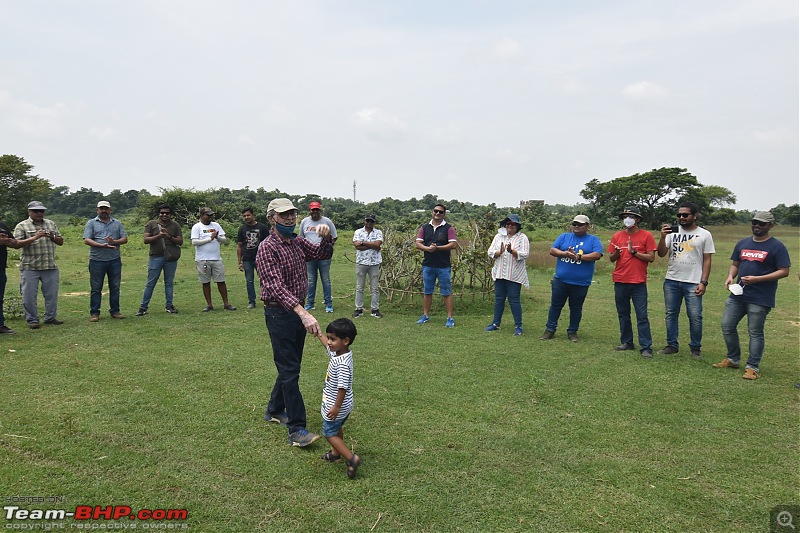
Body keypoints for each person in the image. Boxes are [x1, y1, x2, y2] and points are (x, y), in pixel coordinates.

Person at [256, 198, 334, 448]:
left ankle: (275, 409)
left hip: (297, 312)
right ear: (272, 218)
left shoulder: (296, 242)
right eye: (283, 215)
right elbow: (274, 286)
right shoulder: (267, 248)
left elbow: (320, 254)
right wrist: (303, 312)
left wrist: (325, 237)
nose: (290, 218)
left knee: (291, 365)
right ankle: (296, 429)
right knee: (290, 370)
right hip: (280, 314)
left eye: (292, 214)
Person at [713, 211, 790, 380]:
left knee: (755, 332)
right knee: (727, 325)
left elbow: (784, 271)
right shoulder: (743, 243)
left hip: (761, 297)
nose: (757, 226)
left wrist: (758, 279)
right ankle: (733, 359)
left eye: (761, 224)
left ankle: (752, 367)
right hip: (738, 294)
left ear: (770, 226)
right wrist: (730, 276)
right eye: (754, 222)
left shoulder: (777, 247)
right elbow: (736, 264)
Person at [656, 202, 715, 357]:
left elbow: (707, 259)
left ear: (694, 216)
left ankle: (695, 347)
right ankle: (671, 345)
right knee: (671, 313)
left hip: (694, 281)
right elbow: (661, 253)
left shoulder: (704, 234)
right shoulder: (672, 232)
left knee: (695, 315)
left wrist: (703, 282)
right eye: (679, 215)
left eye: (685, 215)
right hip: (672, 280)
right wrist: (662, 237)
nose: (681, 217)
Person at [540, 215, 604, 342]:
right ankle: (550, 330)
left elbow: (597, 255)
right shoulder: (564, 237)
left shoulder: (593, 240)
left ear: (587, 226)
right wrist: (565, 253)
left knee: (576, 308)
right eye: (575, 224)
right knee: (555, 306)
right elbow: (553, 250)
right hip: (561, 280)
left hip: (581, 282)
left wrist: (579, 257)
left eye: (580, 224)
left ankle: (572, 331)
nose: (576, 226)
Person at [316, 318, 362, 479]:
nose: (329, 342)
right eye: (328, 338)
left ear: (346, 341)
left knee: (329, 433)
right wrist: (319, 334)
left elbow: (342, 387)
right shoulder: (341, 352)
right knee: (336, 428)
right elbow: (328, 348)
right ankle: (336, 454)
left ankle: (351, 458)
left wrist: (335, 407)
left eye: (333, 339)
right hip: (345, 404)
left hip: (338, 404)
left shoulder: (342, 364)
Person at [608, 207, 657, 357]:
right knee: (623, 314)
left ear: (637, 219)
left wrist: (634, 253)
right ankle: (627, 342)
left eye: (630, 216)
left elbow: (651, 257)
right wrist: (617, 252)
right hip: (620, 280)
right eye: (625, 216)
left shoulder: (646, 236)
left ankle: (646, 347)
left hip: (638, 283)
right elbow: (611, 258)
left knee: (642, 315)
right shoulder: (617, 236)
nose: (627, 219)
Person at [13, 201, 65, 329]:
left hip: (50, 266)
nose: (39, 213)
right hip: (30, 267)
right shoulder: (22, 226)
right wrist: (35, 237)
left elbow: (60, 241)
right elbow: (16, 244)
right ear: (29, 212)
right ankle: (32, 320)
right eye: (36, 211)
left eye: (41, 211)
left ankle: (50, 317)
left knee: (52, 295)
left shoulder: (50, 223)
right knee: (29, 296)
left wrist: (52, 236)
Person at [83, 201, 128, 321]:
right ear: (97, 210)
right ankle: (94, 313)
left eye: (106, 209)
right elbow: (87, 240)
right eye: (101, 209)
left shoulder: (117, 223)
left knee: (115, 286)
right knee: (96, 288)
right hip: (97, 260)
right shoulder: (91, 223)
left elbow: (124, 239)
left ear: (110, 210)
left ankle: (115, 311)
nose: (104, 211)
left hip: (114, 260)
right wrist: (101, 245)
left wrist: (114, 242)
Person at [485, 214, 530, 336]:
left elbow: (525, 254)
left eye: (513, 224)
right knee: (499, 299)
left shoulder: (522, 237)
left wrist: (512, 251)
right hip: (499, 272)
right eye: (508, 224)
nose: (510, 226)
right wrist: (499, 252)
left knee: (514, 299)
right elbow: (490, 251)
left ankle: (518, 326)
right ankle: (496, 323)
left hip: (514, 274)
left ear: (517, 226)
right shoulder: (499, 236)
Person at [135, 204, 183, 316]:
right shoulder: (151, 224)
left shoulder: (175, 225)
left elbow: (180, 241)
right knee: (150, 283)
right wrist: (159, 236)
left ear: (171, 215)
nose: (164, 215)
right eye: (162, 213)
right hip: (156, 257)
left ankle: (169, 306)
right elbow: (146, 239)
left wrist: (169, 237)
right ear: (159, 214)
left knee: (169, 283)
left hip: (170, 258)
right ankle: (143, 307)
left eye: (167, 213)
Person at [415, 204, 458, 327]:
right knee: (427, 291)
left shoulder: (449, 228)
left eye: (440, 212)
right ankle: (425, 315)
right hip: (428, 264)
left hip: (443, 265)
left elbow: (453, 244)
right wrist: (428, 249)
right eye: (436, 211)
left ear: (444, 214)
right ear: (432, 212)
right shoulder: (424, 228)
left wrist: (437, 248)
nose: (437, 214)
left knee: (446, 291)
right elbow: (418, 243)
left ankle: (450, 318)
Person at [191, 207, 236, 312]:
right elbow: (194, 242)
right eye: (208, 215)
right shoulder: (197, 227)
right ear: (202, 216)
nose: (210, 217)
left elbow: (224, 240)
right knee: (205, 282)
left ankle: (226, 303)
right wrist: (209, 239)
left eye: (211, 215)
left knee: (221, 281)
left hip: (216, 259)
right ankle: (209, 305)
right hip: (203, 259)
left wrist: (217, 238)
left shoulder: (216, 225)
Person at [299, 201, 338, 313]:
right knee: (311, 280)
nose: (315, 212)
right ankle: (310, 303)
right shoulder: (304, 222)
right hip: (309, 257)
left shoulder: (327, 221)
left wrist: (325, 247)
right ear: (310, 211)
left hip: (324, 257)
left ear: (320, 210)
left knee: (325, 280)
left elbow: (334, 237)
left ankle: (328, 304)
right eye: (313, 210)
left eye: (317, 209)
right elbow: (301, 238)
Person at [236, 207, 270, 309]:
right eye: (244, 216)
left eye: (248, 215)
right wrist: (239, 261)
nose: (246, 217)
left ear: (253, 215)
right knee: (249, 280)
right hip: (247, 259)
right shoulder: (242, 229)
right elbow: (239, 245)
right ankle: (252, 301)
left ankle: (266, 299)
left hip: (261, 258)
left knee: (264, 279)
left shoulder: (262, 227)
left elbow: (268, 243)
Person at [352, 213, 383, 318]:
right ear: (364, 221)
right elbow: (357, 246)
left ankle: (375, 309)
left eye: (371, 221)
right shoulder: (358, 232)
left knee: (374, 287)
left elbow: (378, 244)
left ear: (374, 222)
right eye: (367, 221)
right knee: (360, 287)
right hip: (361, 262)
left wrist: (363, 242)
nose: (369, 223)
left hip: (374, 263)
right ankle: (358, 309)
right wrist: (372, 245)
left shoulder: (378, 232)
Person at [0, 220, 20, 334]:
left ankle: (0, 324)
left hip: (1, 268)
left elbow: (15, 244)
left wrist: (8, 241)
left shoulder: (2, 225)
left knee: (0, 298)